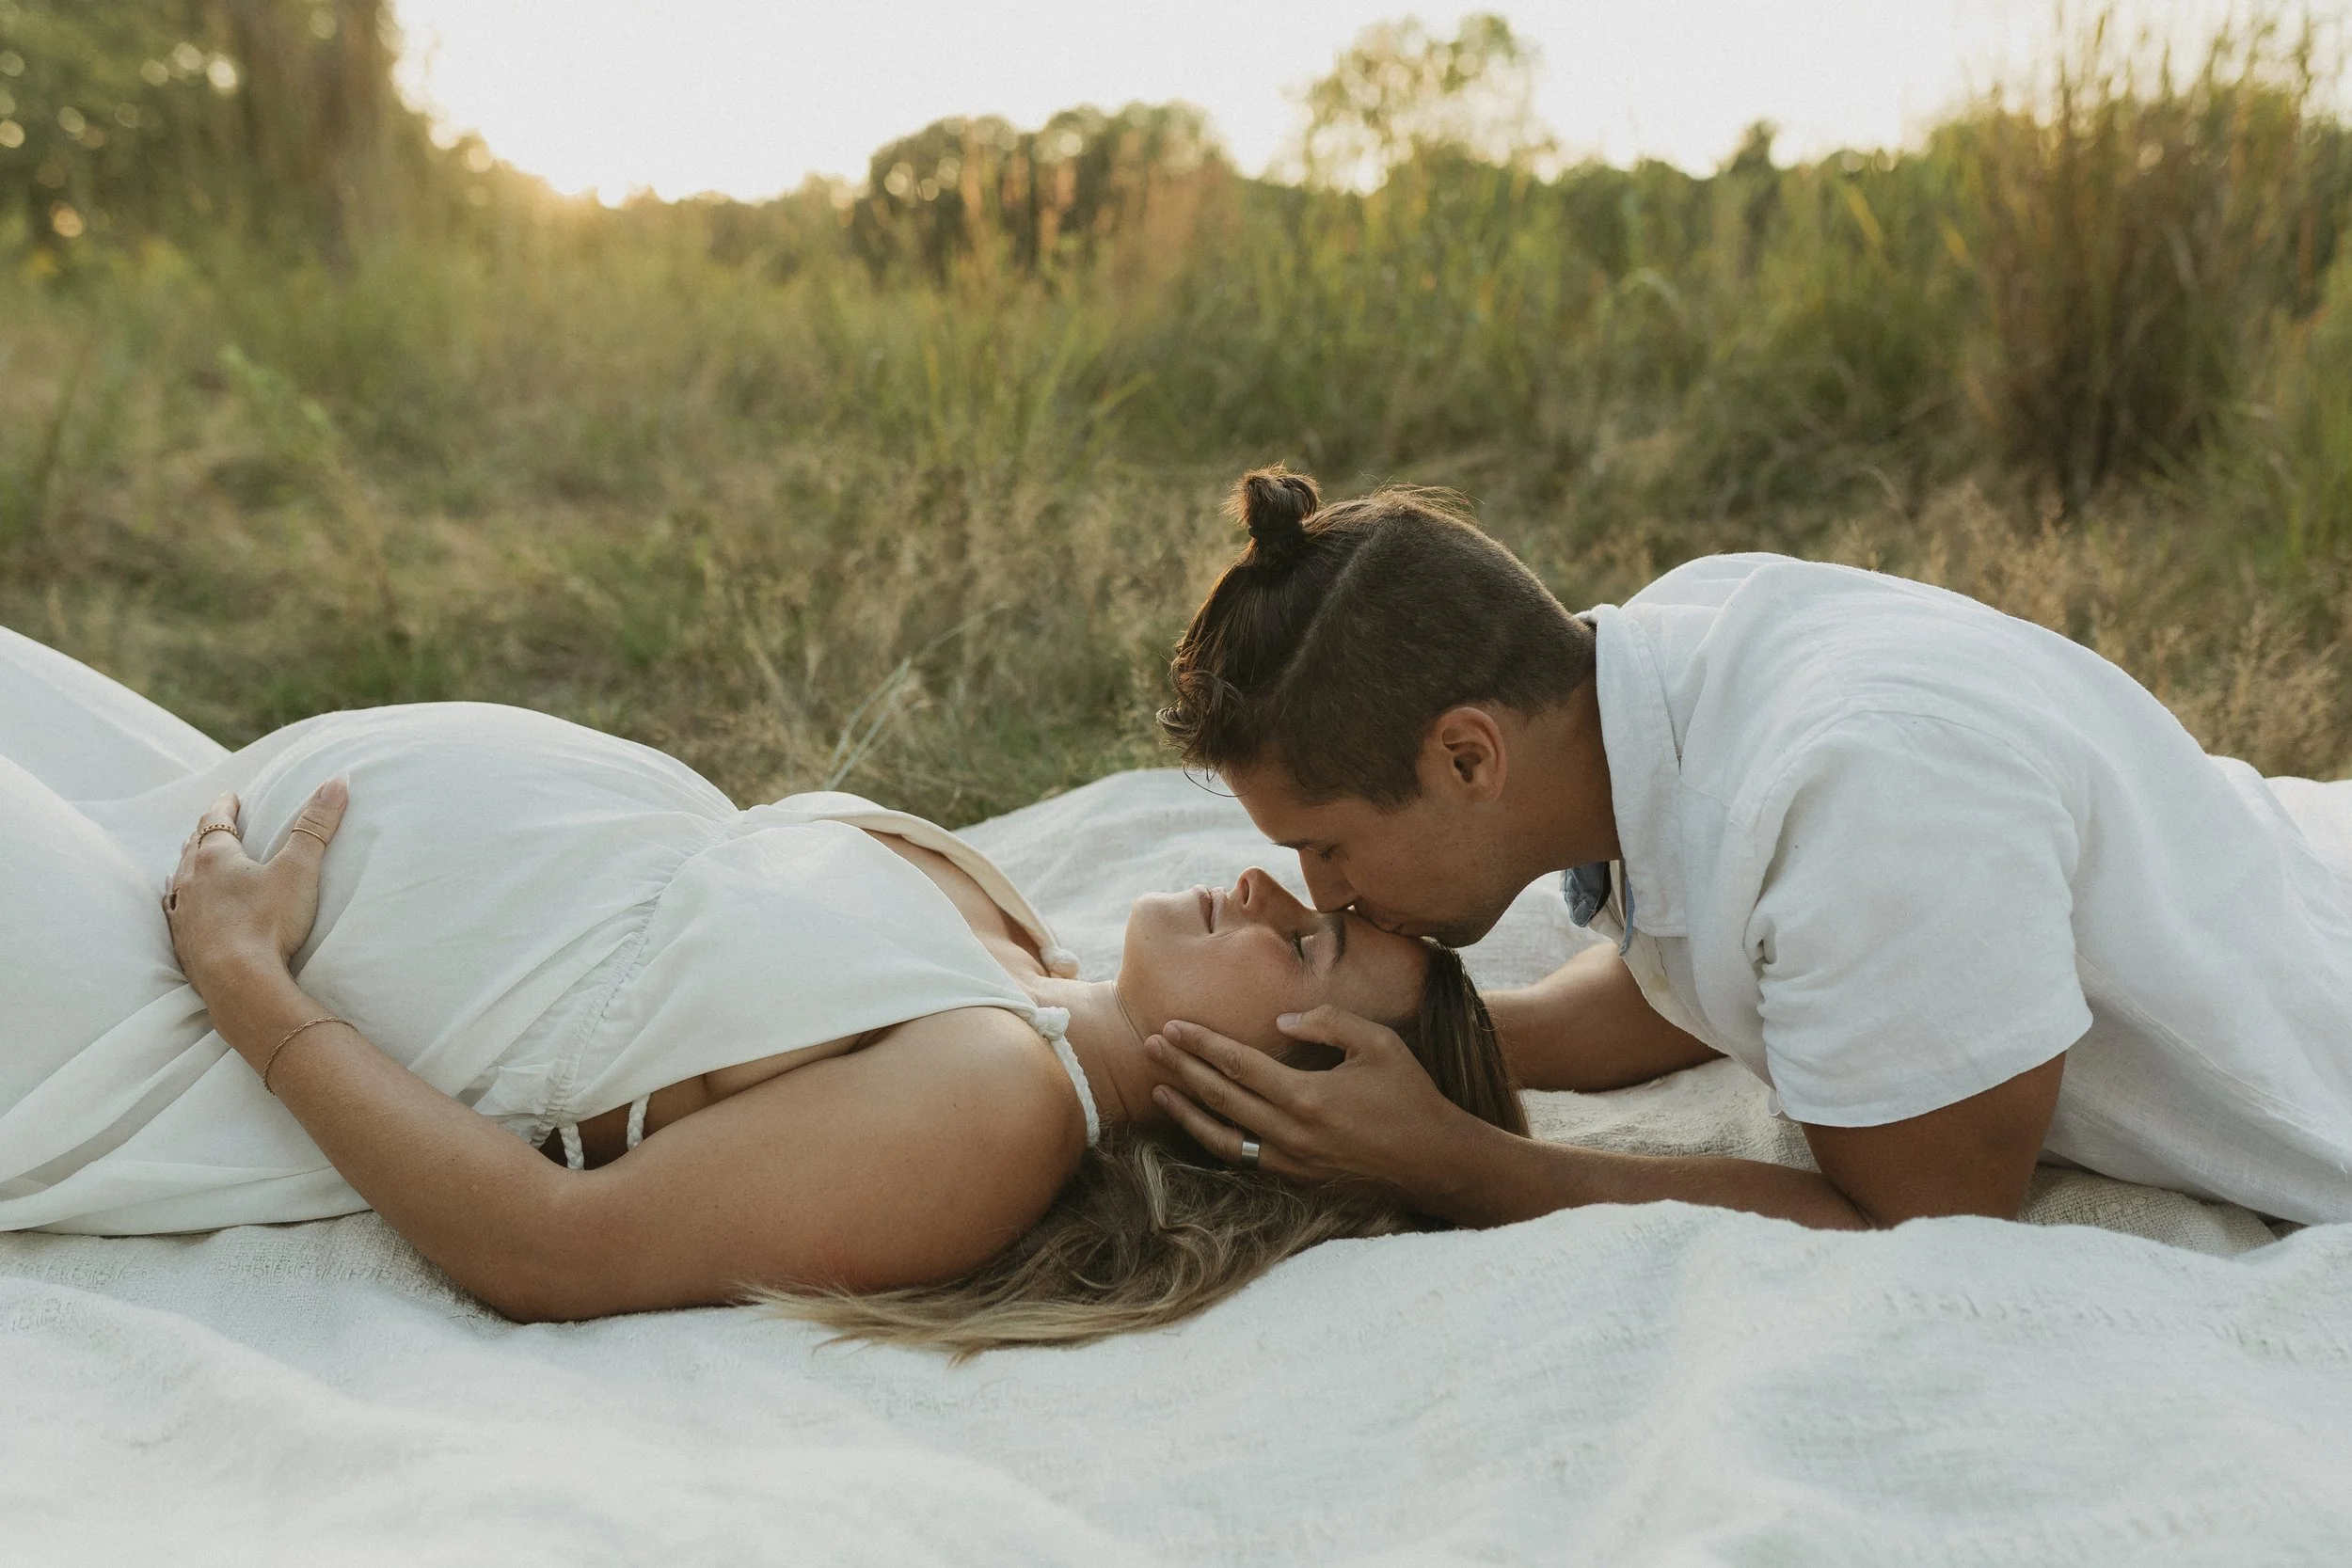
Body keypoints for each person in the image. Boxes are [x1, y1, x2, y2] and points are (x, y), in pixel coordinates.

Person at [0, 624, 1523, 1350]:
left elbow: (549, 1248)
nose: (1267, 886)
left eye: (1309, 944)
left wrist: (248, 977)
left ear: (1272, 1095)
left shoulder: (997, 1106)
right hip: (189, 822)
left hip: (163, 998)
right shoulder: (1032, 960)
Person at [1148, 467, 2352, 1229]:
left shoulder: (1861, 798)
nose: (1321, 889)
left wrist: (1462, 1162)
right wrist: (1418, 1049)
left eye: (1326, 844)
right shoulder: (1676, 650)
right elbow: (1717, 968)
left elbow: (1926, 1214)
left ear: (1468, 757)